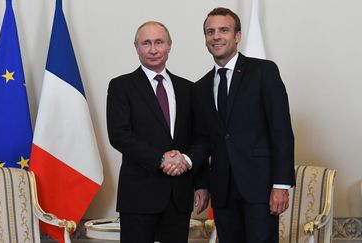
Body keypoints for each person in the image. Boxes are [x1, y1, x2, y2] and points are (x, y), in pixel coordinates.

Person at [188, 7, 296, 243]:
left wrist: (280, 184)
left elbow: (281, 131)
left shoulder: (263, 71)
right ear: (205, 39)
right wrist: (202, 184)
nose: (216, 36)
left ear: (237, 36)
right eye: (210, 32)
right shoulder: (200, 87)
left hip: (260, 187)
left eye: (223, 30)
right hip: (222, 191)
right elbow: (202, 140)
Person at [106, 21, 208, 243]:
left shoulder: (189, 89)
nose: (153, 49)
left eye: (159, 42)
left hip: (179, 195)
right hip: (139, 195)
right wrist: (161, 159)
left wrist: (200, 182)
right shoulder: (121, 86)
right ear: (136, 47)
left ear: (169, 45)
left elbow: (200, 137)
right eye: (146, 43)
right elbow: (119, 135)